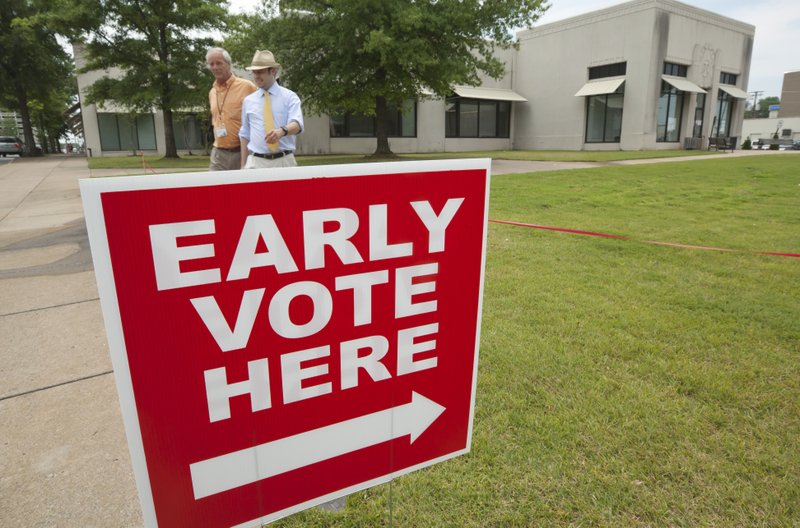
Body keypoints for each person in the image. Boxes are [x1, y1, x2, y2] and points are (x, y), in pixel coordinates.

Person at [239, 50, 303, 169]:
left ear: (273, 71)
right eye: (254, 72)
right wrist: (243, 165)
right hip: (255, 163)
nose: (256, 76)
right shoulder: (248, 101)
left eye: (260, 72)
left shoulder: (290, 97)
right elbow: (245, 134)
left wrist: (282, 131)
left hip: (284, 162)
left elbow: (297, 125)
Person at [206, 47, 257, 171]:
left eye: (219, 63)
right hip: (218, 153)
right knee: (213, 188)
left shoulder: (247, 87)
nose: (215, 67)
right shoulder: (212, 92)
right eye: (211, 64)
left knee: (242, 189)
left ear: (229, 64)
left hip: (242, 151)